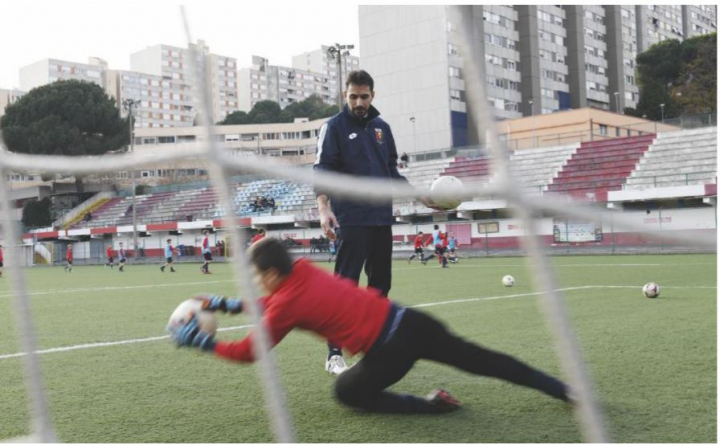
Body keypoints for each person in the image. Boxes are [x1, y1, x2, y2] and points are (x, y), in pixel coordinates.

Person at [169, 238, 571, 414]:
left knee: (347, 392)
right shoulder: (303, 271)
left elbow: (247, 353)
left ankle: (431, 406)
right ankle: (563, 389)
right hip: (410, 320)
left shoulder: (284, 305)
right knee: (482, 360)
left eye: (258, 276)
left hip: (388, 353)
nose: (257, 283)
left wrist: (203, 344)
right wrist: (226, 304)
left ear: (272, 273)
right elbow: (274, 303)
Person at [314, 70, 420, 375]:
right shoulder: (332, 127)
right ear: (344, 96)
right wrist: (324, 209)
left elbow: (391, 172)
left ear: (373, 95)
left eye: (364, 96)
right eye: (353, 96)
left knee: (380, 287)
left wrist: (421, 195)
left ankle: (373, 348)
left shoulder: (381, 128)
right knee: (345, 286)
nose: (358, 102)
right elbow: (322, 170)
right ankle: (334, 354)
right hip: (351, 217)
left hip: (380, 218)